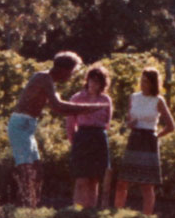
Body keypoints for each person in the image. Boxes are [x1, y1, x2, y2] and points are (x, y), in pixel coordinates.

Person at [8, 51, 107, 207]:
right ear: (64, 70)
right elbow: (58, 106)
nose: (72, 76)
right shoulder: (43, 77)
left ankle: (33, 207)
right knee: (26, 169)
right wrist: (90, 108)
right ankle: (25, 209)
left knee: (37, 170)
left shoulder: (49, 81)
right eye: (72, 72)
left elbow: (59, 108)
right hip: (20, 125)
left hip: (28, 126)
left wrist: (87, 108)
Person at [114, 67, 175, 215]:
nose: (143, 84)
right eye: (141, 80)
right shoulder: (133, 97)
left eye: (146, 82)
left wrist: (157, 136)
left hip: (149, 140)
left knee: (147, 184)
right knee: (123, 181)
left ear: (153, 83)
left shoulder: (158, 100)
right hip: (134, 138)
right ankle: (117, 215)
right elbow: (129, 120)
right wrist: (129, 124)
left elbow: (171, 125)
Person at [66, 66, 113, 208]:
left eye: (97, 81)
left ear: (103, 84)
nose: (93, 84)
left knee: (94, 178)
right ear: (87, 81)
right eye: (91, 80)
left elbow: (107, 122)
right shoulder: (77, 98)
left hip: (98, 137)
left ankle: (90, 211)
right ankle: (77, 210)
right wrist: (74, 141)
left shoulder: (106, 99)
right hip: (82, 137)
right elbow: (70, 123)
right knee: (81, 178)